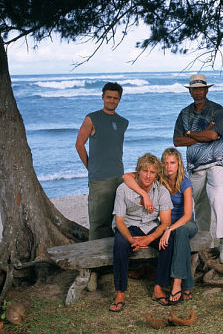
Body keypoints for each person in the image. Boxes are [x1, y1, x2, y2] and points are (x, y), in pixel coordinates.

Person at [123, 148, 198, 305]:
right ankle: (188, 286)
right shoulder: (159, 180)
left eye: (172, 163)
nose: (169, 166)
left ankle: (176, 284)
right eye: (166, 163)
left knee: (181, 232)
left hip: (186, 224)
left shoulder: (185, 183)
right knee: (178, 240)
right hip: (165, 224)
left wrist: (169, 229)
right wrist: (144, 195)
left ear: (179, 164)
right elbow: (126, 177)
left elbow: (187, 215)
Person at [173, 74, 223, 264]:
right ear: (190, 91)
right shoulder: (184, 113)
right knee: (199, 205)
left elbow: (214, 135)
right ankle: (202, 244)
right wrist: (201, 134)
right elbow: (177, 140)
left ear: (206, 90)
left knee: (219, 196)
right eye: (194, 89)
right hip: (195, 167)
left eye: (201, 89)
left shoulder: (217, 109)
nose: (198, 93)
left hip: (215, 162)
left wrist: (190, 132)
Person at [75, 82, 129, 290]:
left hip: (119, 178)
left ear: (119, 99)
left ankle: (109, 265)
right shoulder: (92, 118)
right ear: (102, 97)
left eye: (115, 97)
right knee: (97, 224)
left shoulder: (123, 122)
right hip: (99, 179)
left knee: (116, 222)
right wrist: (91, 168)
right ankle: (93, 271)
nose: (111, 100)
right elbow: (79, 144)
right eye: (108, 97)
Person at [110, 153, 173, 312]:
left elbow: (165, 223)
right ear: (138, 171)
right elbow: (119, 221)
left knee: (168, 242)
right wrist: (132, 241)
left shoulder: (162, 191)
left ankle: (158, 287)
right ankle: (120, 292)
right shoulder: (123, 189)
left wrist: (148, 239)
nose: (148, 176)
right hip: (129, 226)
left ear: (156, 174)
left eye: (152, 172)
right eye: (145, 171)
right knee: (119, 244)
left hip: (150, 226)